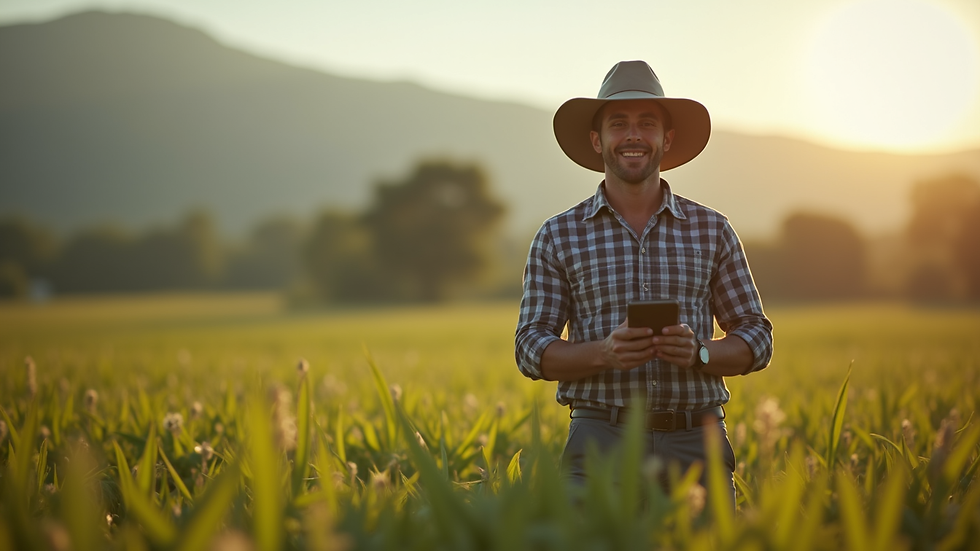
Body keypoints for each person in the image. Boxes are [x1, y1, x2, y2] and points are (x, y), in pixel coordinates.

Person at [515, 60, 773, 503]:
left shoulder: (712, 230)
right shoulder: (558, 235)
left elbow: (757, 337)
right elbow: (530, 347)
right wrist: (603, 353)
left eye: (647, 124)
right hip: (599, 440)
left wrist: (700, 352)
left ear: (666, 139)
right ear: (597, 140)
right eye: (618, 124)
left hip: (697, 442)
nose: (633, 136)